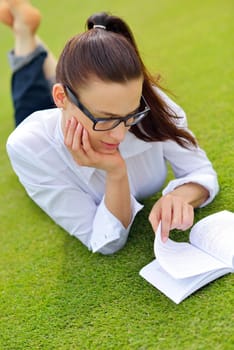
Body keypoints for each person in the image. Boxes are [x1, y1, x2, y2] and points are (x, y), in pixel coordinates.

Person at [2, 0, 219, 254]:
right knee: (28, 100)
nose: (119, 134)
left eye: (130, 115)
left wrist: (180, 197)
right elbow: (104, 241)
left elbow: (200, 171)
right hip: (48, 121)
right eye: (105, 119)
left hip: (74, 99)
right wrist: (116, 172)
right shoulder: (31, 146)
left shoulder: (151, 104)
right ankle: (25, 34)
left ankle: (42, 51)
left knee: (79, 89)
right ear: (60, 99)